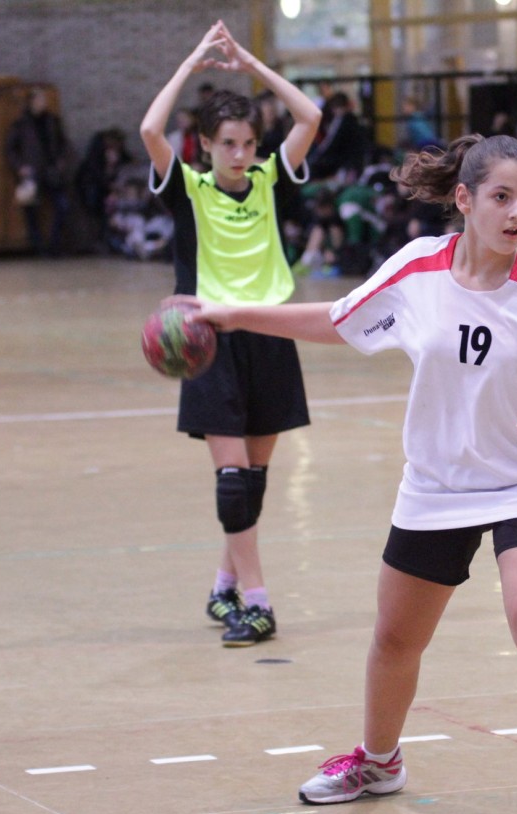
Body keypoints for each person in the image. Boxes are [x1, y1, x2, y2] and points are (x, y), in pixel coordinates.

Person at [192, 133, 517, 814]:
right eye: (501, 197)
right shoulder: (417, 271)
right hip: (437, 483)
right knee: (396, 637)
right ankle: (379, 762)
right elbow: (339, 320)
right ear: (464, 199)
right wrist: (234, 313)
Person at [139, 21, 322, 647]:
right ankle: (259, 603)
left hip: (270, 333)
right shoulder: (189, 188)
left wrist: (249, 63)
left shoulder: (271, 180)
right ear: (206, 145)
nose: (239, 154)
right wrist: (191, 63)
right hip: (209, 341)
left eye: (247, 143)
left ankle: (224, 587)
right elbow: (149, 130)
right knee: (233, 480)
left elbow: (310, 116)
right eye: (227, 144)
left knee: (255, 482)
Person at [4, 88, 74, 256]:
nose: (43, 103)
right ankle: (38, 247)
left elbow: (63, 143)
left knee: (63, 205)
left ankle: (55, 244)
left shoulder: (52, 121)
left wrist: (61, 161)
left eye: (44, 99)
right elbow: (10, 149)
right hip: (31, 173)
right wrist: (20, 166)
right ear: (32, 101)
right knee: (31, 211)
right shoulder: (21, 124)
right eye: (40, 99)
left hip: (52, 172)